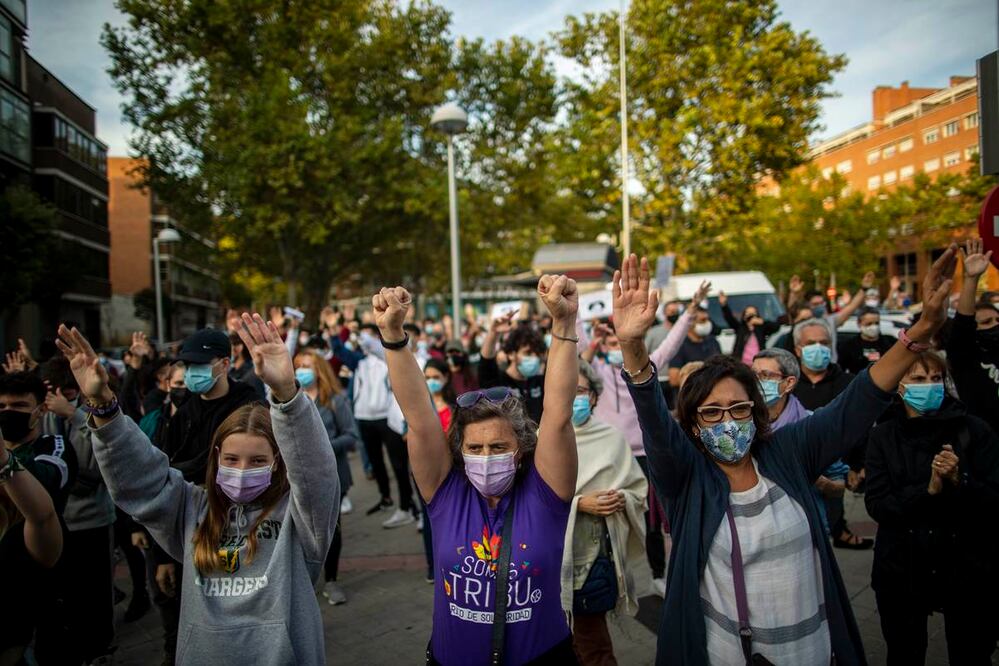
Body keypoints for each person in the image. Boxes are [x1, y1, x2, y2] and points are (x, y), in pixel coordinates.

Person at [613, 250, 955, 664]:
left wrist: (924, 327)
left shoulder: (790, 450)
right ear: (694, 425)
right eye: (711, 412)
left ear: (756, 412)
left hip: (813, 651)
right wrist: (632, 347)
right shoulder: (687, 479)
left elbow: (859, 399)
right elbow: (654, 421)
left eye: (739, 408)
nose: (728, 421)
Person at [56, 315, 339, 665]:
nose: (242, 470)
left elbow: (316, 472)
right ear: (216, 458)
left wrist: (287, 394)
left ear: (278, 462)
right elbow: (141, 477)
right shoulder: (191, 507)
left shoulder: (301, 520)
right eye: (232, 459)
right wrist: (103, 405)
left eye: (257, 461)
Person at [374, 274, 580, 665]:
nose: (486, 457)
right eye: (475, 448)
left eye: (498, 447)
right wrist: (393, 335)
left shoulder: (545, 493)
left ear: (522, 450)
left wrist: (564, 323)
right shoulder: (446, 493)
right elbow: (419, 417)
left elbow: (557, 413)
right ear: (460, 451)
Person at [865, 350, 999, 665]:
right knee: (904, 652)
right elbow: (878, 505)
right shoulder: (883, 435)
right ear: (899, 385)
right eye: (918, 379)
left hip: (965, 567)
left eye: (935, 378)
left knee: (972, 653)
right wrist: (928, 490)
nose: (929, 386)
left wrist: (959, 480)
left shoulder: (973, 430)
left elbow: (994, 498)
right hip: (902, 568)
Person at [577, 282, 705, 594]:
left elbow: (671, 344)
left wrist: (690, 312)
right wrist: (576, 311)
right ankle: (615, 575)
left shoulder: (642, 366)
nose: (614, 346)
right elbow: (578, 352)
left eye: (618, 341)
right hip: (611, 456)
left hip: (646, 455)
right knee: (610, 516)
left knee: (653, 519)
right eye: (609, 341)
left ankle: (658, 575)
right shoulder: (597, 370)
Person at [562, 359, 648, 665]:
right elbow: (534, 502)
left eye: (580, 391)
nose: (574, 398)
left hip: (597, 556)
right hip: (556, 556)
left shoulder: (612, 437)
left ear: (594, 397)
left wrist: (620, 498)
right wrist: (579, 504)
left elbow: (637, 490)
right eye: (567, 390)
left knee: (592, 642)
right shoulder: (543, 438)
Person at [37, 357, 119, 663]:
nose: (61, 397)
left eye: (69, 391)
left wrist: (74, 415)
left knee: (96, 592)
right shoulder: (42, 416)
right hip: (59, 520)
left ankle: (100, 648)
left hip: (93, 518)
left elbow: (100, 462)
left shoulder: (90, 413)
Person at [0, 371, 76, 664]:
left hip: (38, 567)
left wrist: (5, 461)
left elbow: (47, 483)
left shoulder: (52, 446)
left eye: (18, 406)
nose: (8, 413)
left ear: (40, 411)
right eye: (2, 406)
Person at [791, 317, 871, 550]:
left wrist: (859, 464)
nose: (818, 348)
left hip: (838, 463)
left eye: (824, 342)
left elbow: (861, 425)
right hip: (799, 462)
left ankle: (838, 530)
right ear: (798, 349)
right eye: (811, 343)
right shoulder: (789, 385)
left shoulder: (848, 383)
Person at [335, 323, 416, 526]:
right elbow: (339, 351)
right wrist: (335, 331)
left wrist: (364, 335)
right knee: (375, 462)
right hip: (364, 418)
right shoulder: (359, 361)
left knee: (398, 464)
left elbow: (377, 347)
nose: (364, 340)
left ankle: (407, 506)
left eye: (368, 335)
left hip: (387, 419)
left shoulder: (387, 357)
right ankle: (385, 498)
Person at [293, 348, 357, 606]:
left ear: (319, 370)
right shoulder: (290, 400)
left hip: (332, 476)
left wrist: (325, 446)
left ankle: (331, 580)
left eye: (307, 366)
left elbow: (351, 436)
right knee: (299, 531)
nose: (302, 371)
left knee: (331, 530)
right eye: (298, 366)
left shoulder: (335, 400)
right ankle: (302, 582)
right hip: (297, 479)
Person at [947, 238, 999, 434]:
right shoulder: (966, 357)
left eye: (998, 320)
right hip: (986, 444)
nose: (995, 325)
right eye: (986, 322)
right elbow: (963, 323)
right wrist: (971, 279)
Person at [478, 313, 548, 423]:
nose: (534, 358)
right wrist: (493, 333)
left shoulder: (540, 382)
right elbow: (486, 364)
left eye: (537, 353)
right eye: (528, 353)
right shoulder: (499, 382)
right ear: (511, 354)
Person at [719, 291, 781, 365]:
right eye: (748, 314)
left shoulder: (761, 328)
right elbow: (729, 318)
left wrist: (762, 322)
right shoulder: (740, 328)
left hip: (758, 363)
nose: (750, 316)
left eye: (753, 314)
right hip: (742, 364)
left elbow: (776, 327)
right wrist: (724, 305)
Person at [668, 306, 721, 388]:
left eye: (708, 319)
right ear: (690, 322)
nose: (707, 323)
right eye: (703, 320)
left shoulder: (713, 342)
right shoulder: (679, 345)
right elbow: (674, 379)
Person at [837, 306, 896, 375]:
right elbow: (841, 371)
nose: (874, 327)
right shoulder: (849, 346)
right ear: (859, 324)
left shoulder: (890, 343)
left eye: (876, 323)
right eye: (869, 324)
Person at [229, 332, 267, 401]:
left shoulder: (252, 374)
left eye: (229, 346)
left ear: (239, 348)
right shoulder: (231, 372)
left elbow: (260, 402)